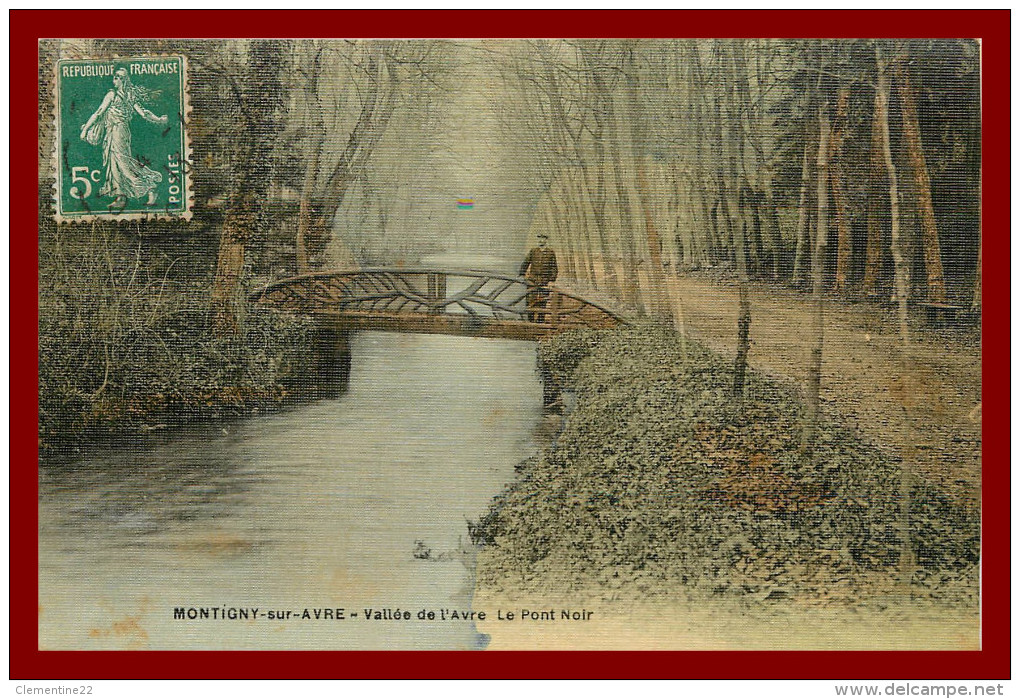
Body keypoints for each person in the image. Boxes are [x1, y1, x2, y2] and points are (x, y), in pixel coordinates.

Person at [80, 68, 168, 206]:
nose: (114, 79)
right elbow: (144, 113)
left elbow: (98, 113)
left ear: (122, 80)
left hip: (118, 132)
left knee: (122, 163)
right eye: (114, 77)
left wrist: (85, 129)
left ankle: (151, 188)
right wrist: (158, 119)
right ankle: (120, 197)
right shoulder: (128, 96)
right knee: (114, 163)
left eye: (117, 77)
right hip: (116, 131)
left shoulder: (113, 95)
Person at [519, 232, 558, 322]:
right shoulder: (533, 251)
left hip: (545, 280)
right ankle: (530, 321)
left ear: (546, 240)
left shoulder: (550, 253)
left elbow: (554, 268)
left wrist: (552, 280)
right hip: (533, 280)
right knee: (530, 300)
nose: (541, 240)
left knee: (543, 301)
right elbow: (525, 263)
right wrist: (522, 274)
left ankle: (540, 321)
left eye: (543, 238)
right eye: (539, 238)